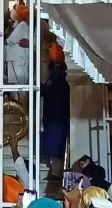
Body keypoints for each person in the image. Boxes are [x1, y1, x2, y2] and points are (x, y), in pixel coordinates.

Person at [40, 49, 69, 179]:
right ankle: (55, 171)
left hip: (56, 117)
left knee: (55, 144)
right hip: (54, 116)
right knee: (54, 144)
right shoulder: (56, 72)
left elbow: (46, 90)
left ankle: (56, 172)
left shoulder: (58, 74)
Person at [5, 5, 29, 86]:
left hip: (19, 57)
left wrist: (7, 40)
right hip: (15, 57)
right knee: (16, 83)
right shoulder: (19, 24)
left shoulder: (22, 25)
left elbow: (11, 40)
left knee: (20, 83)